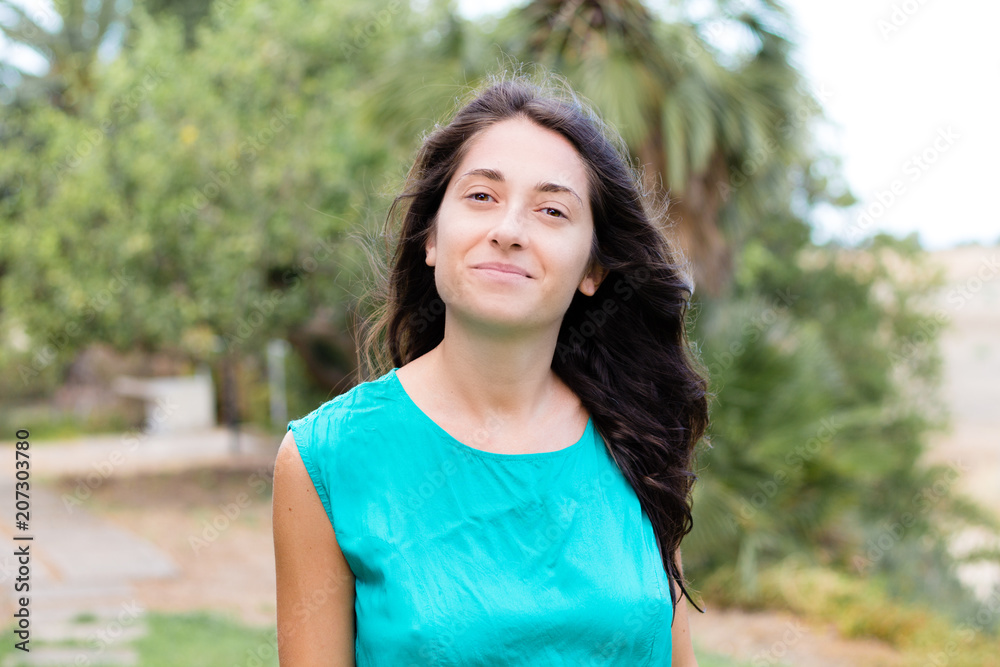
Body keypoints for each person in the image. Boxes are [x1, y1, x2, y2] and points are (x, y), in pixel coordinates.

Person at [272, 73, 709, 666]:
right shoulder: (326, 457)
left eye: (552, 209)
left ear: (593, 269)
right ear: (431, 236)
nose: (508, 231)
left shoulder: (641, 436)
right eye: (481, 196)